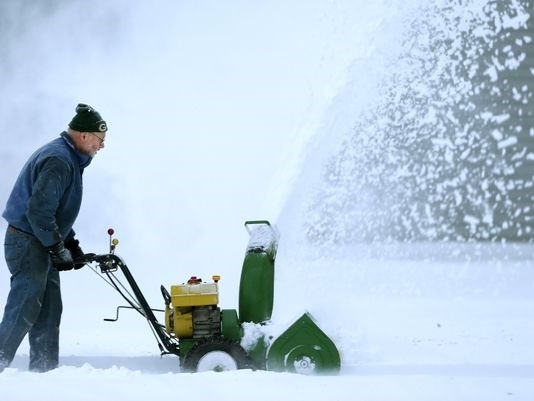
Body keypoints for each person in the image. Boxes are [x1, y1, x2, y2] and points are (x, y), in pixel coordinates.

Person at [0, 103, 108, 373]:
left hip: (38, 240)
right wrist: (56, 247)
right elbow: (38, 212)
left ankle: (44, 371)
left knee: (49, 309)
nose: (102, 146)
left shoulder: (69, 158)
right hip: (27, 242)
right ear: (84, 136)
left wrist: (69, 243)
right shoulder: (59, 160)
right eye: (100, 140)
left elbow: (54, 210)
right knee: (26, 303)